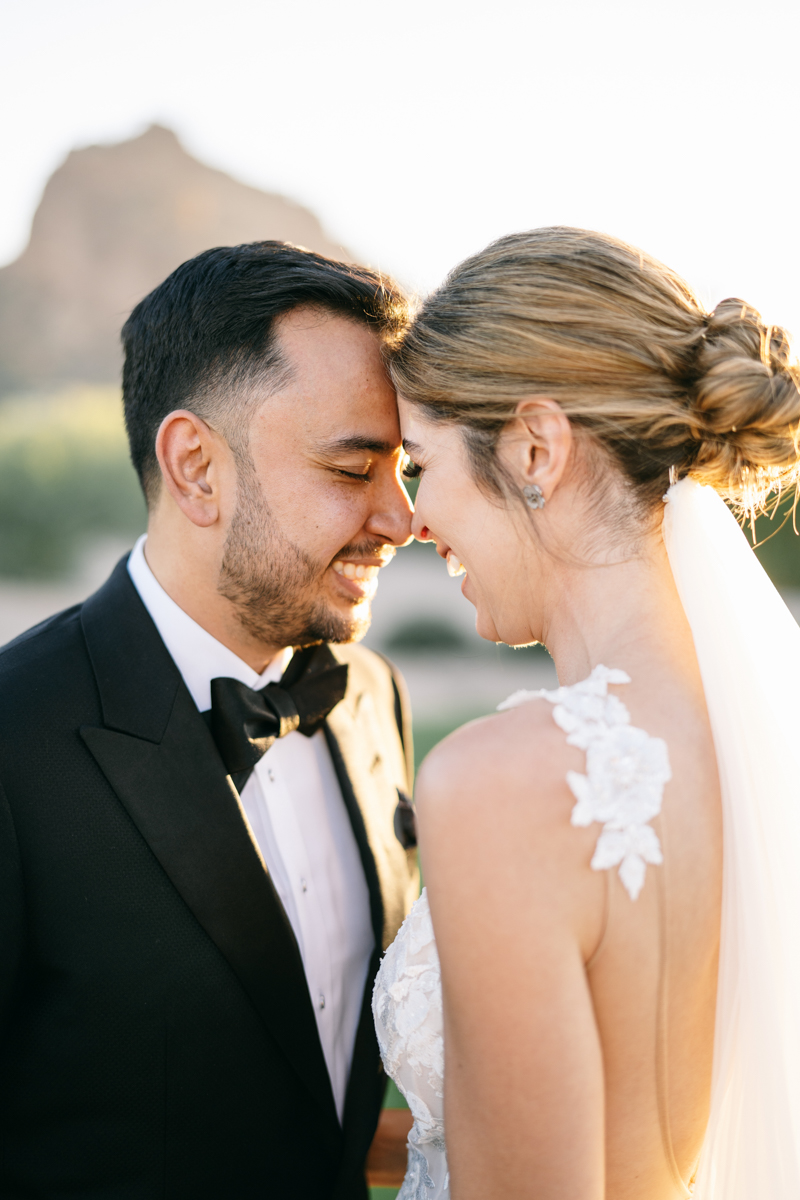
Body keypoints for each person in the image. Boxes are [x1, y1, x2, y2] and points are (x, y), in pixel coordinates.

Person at [373, 227, 800, 1198]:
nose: (413, 520)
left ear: (533, 446)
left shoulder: (501, 785)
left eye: (422, 463)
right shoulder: (755, 738)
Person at [0, 242, 420, 1199]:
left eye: (407, 471)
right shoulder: (14, 743)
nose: (402, 520)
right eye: (355, 467)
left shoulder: (372, 696)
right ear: (196, 467)